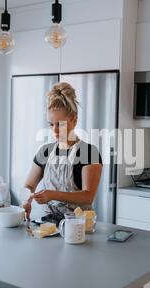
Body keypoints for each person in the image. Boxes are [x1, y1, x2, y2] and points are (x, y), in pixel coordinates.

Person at [22, 82, 103, 220]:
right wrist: (26, 200)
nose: (55, 130)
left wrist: (53, 194)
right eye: (51, 124)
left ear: (74, 120)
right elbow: (29, 185)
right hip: (49, 225)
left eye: (60, 124)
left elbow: (88, 196)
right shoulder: (45, 151)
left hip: (79, 227)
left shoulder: (89, 152)